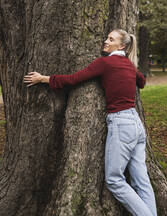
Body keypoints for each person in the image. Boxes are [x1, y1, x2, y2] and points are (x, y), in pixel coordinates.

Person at [24, 29, 157, 216]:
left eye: (111, 39)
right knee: (141, 181)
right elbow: (141, 82)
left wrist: (43, 79)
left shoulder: (105, 63)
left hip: (121, 124)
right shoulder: (127, 64)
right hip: (136, 124)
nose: (105, 41)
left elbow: (73, 79)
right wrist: (131, 68)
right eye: (107, 38)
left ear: (121, 46)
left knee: (114, 180)